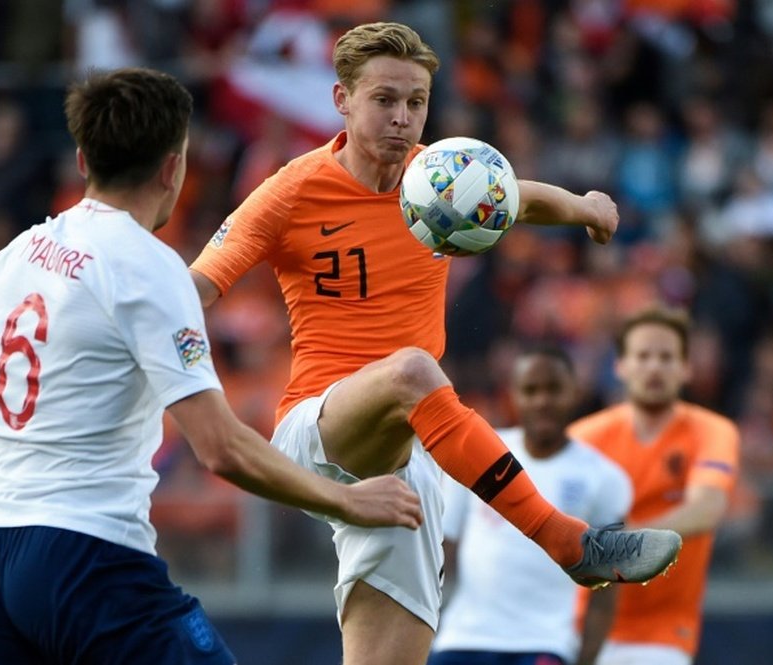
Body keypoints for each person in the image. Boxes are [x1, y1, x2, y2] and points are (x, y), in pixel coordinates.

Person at [189, 21, 682, 665]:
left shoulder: (439, 177)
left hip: (408, 453)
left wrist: (586, 206)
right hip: (320, 427)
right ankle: (571, 545)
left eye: (415, 102)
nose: (402, 118)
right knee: (414, 371)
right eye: (384, 100)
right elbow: (192, 289)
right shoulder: (289, 192)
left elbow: (519, 200)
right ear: (342, 100)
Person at [0, 67, 426, 665]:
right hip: (86, 561)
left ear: (82, 159)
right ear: (175, 167)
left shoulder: (23, 250)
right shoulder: (148, 267)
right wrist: (348, 501)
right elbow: (220, 447)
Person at [429, 346, 633, 665]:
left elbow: (607, 590)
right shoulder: (478, 454)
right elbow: (441, 555)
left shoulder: (605, 478)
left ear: (575, 392)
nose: (542, 401)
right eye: (530, 390)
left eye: (554, 389)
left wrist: (586, 658)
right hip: (463, 637)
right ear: (514, 395)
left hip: (545, 641)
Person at [569, 306, 741, 665]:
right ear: (620, 366)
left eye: (666, 357)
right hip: (577, 623)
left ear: (686, 368)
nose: (654, 367)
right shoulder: (584, 438)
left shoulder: (712, 431)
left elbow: (706, 509)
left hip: (662, 630)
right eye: (643, 356)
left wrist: (621, 545)